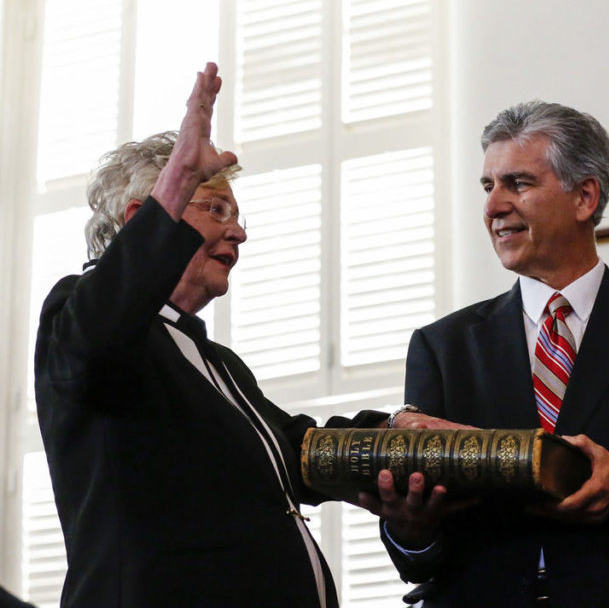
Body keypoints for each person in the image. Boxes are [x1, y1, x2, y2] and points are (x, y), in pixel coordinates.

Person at [33, 63, 445, 608]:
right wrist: (177, 179)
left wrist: (395, 432)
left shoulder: (216, 361)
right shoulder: (79, 312)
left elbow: (298, 454)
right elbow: (97, 338)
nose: (239, 231)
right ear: (142, 218)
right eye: (217, 209)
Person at [363, 101, 609, 607]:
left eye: (519, 184)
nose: (493, 207)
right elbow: (418, 555)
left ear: (584, 197)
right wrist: (409, 525)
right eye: (488, 187)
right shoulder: (443, 346)